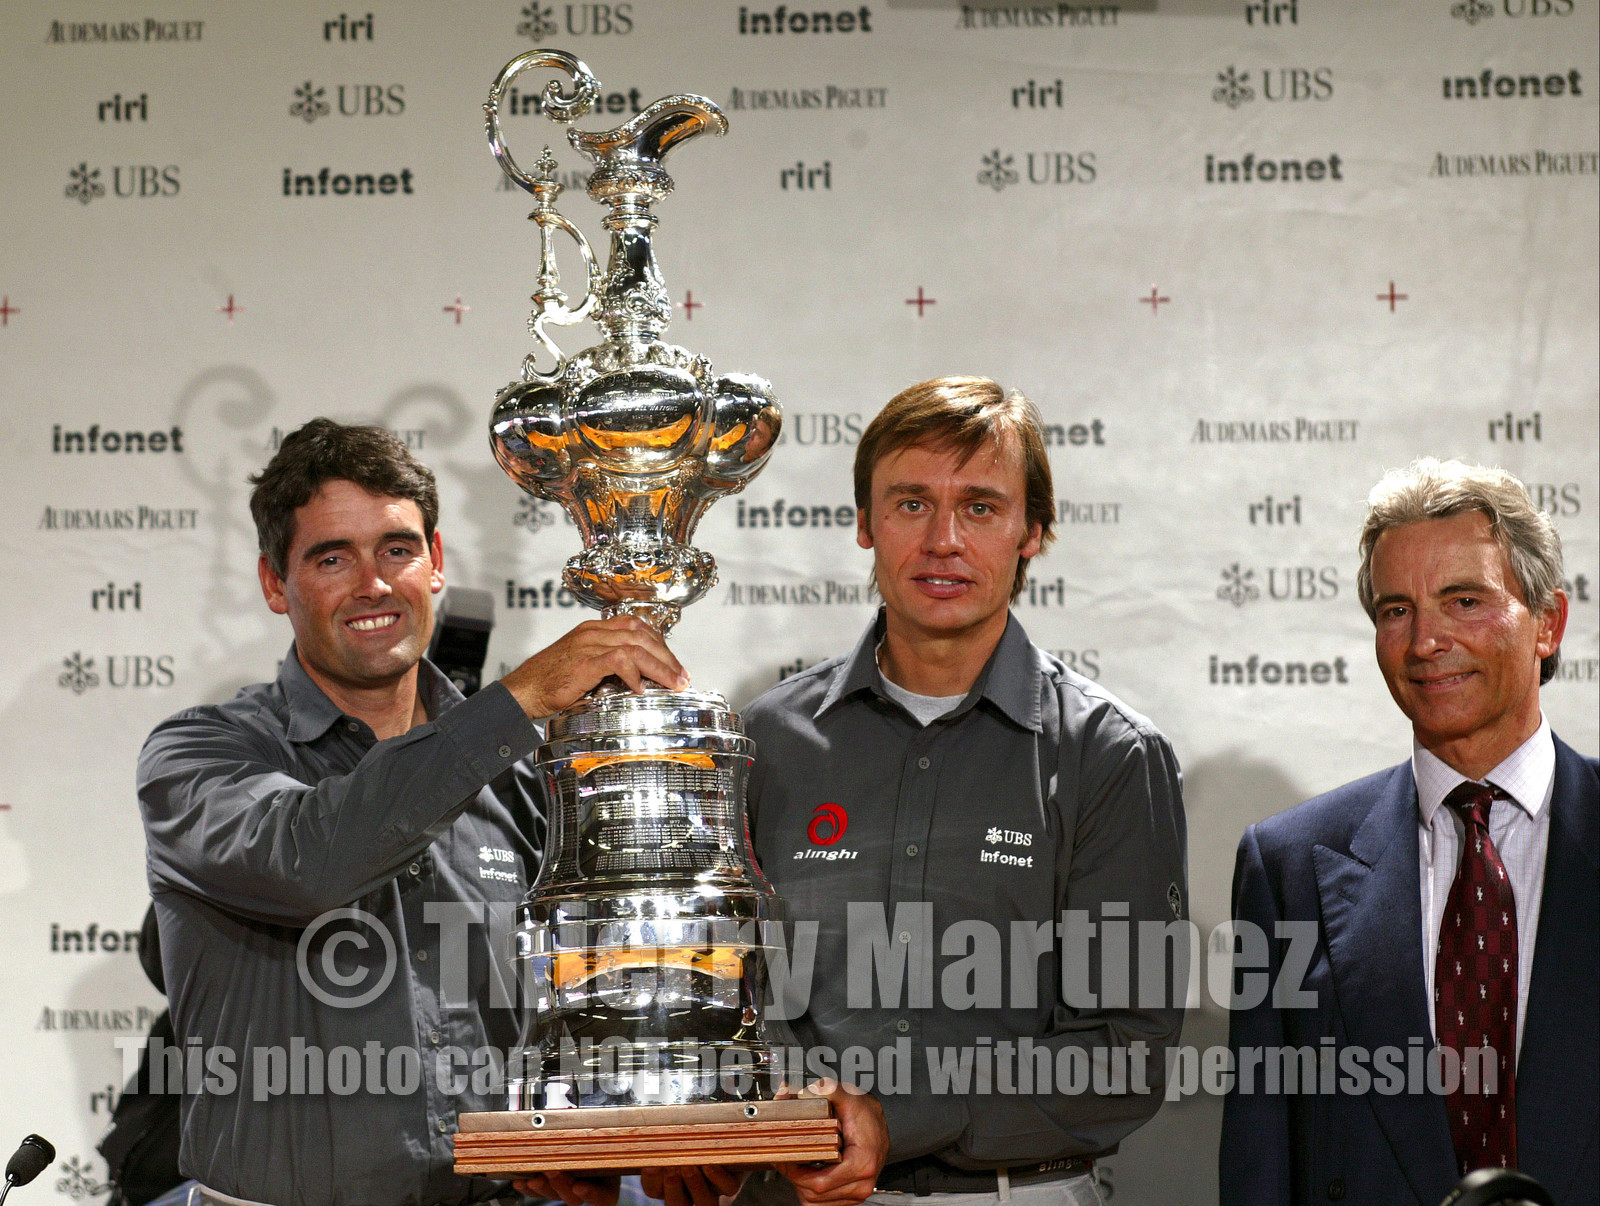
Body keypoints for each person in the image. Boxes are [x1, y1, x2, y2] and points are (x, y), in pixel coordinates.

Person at [637, 378, 1188, 1206]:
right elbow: (723, 990)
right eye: (910, 504)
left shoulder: (1109, 755)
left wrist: (894, 1116)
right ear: (863, 524)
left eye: (980, 508)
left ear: (1031, 533)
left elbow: (1123, 1055)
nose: (943, 540)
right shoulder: (766, 741)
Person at [137, 419, 687, 1206]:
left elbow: (578, 1001)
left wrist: (585, 1141)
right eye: (332, 558)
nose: (373, 583)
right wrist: (520, 700)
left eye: (396, 549)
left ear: (435, 563)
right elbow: (311, 861)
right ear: (272, 582)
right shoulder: (200, 756)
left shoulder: (523, 771)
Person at [1219, 458, 1597, 1206]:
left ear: (1548, 624)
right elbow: (1263, 1158)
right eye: (1396, 610)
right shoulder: (1287, 867)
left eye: (1464, 600)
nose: (1426, 641)